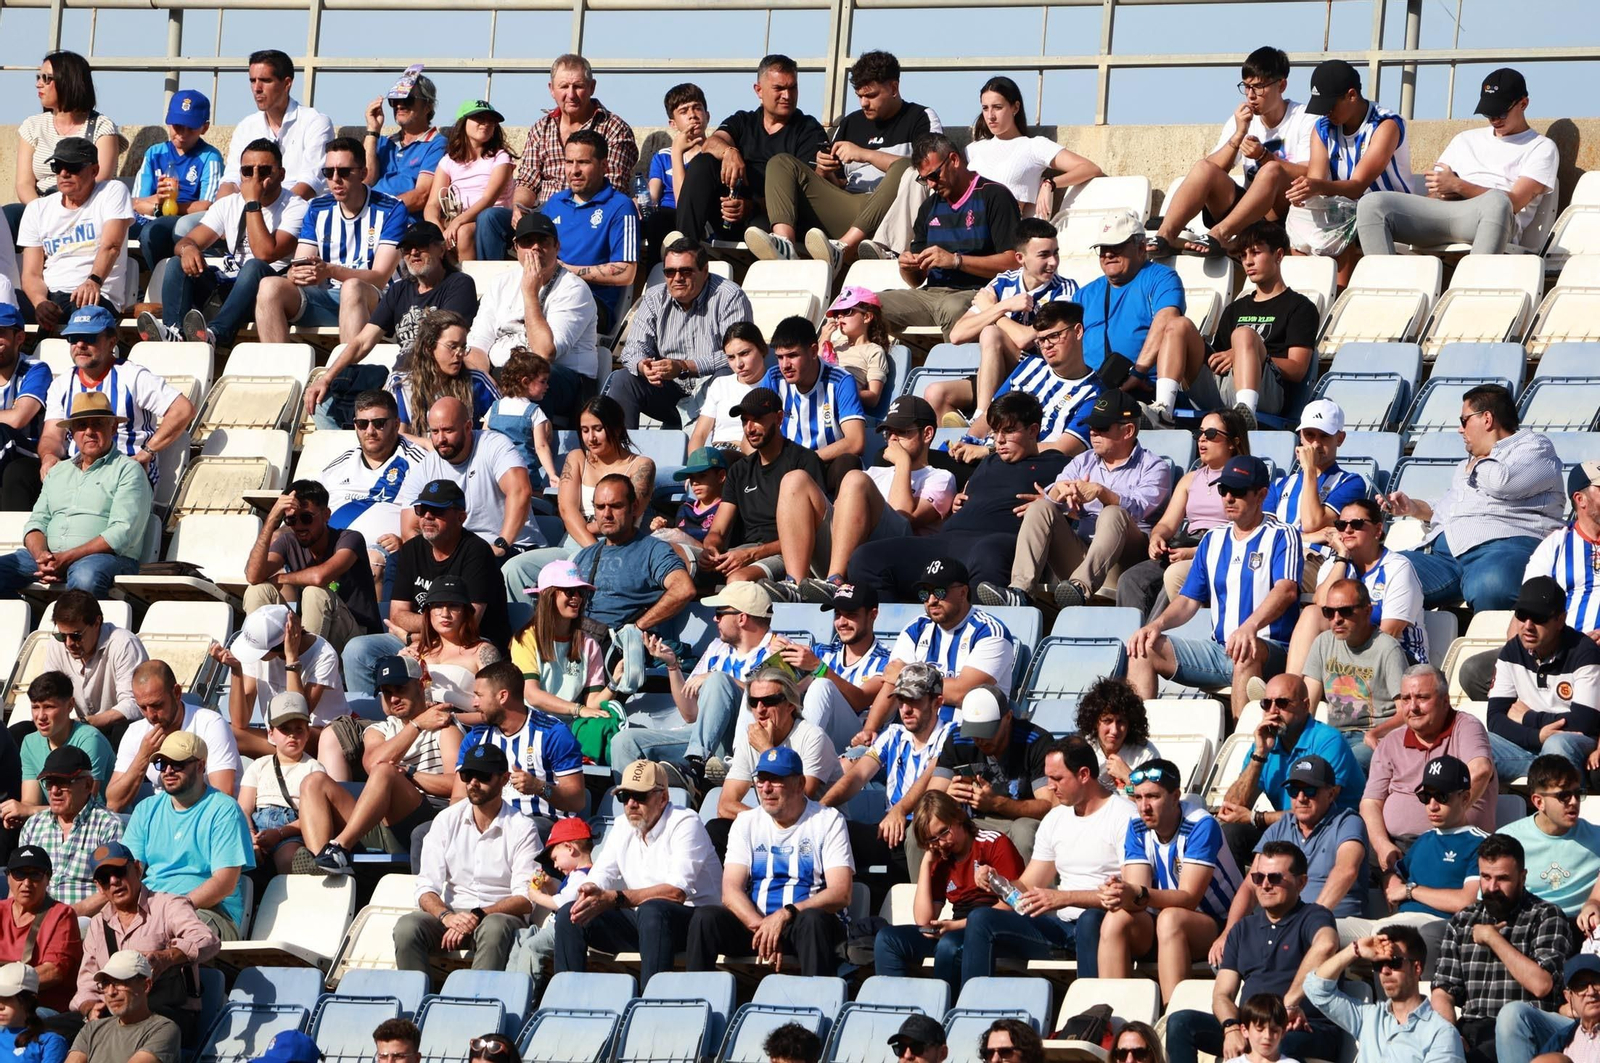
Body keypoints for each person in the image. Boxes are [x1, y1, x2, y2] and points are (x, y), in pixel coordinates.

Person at [847, 392, 1070, 603]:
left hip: (997, 541)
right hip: (947, 541)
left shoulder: (1056, 464)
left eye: (1009, 431)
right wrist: (957, 501)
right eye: (995, 432)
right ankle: (894, 633)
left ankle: (979, 635)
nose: (999, 440)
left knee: (989, 552)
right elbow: (969, 491)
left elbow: (1075, 502)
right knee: (866, 558)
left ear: (1033, 431)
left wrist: (1052, 503)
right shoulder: (988, 462)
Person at [1126, 455, 1302, 719]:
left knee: (1246, 649)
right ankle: (1135, 742)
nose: (1228, 497)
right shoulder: (1213, 539)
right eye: (1224, 489)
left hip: (1270, 647)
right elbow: (1188, 600)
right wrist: (1156, 625)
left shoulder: (1282, 534)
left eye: (1238, 491)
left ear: (1261, 494)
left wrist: (1250, 627)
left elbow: (1286, 590)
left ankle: (1244, 748)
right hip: (1219, 648)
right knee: (1144, 647)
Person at [952, 736, 1136, 986]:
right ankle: (973, 1006)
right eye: (1048, 778)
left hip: (1104, 923)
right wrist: (997, 882)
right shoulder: (1056, 818)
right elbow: (1028, 885)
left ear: (1083, 775)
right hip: (1061, 926)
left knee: (1090, 919)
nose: (1050, 787)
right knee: (981, 919)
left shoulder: (1124, 816)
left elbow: (1128, 894)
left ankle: (1093, 1016)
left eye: (1057, 779)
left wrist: (1064, 898)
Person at [744, 50, 941, 273]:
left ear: (894, 88)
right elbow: (835, 186)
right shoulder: (851, 123)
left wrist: (865, 154)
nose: (863, 103)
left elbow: (931, 169)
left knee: (908, 167)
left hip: (893, 214)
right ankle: (784, 246)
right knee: (780, 163)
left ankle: (844, 248)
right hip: (850, 206)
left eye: (871, 95)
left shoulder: (921, 117)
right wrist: (824, 170)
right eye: (859, 96)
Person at [979, 388, 1172, 611]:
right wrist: (1058, 491)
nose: (1093, 433)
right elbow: (1052, 500)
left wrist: (1101, 492)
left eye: (1101, 428)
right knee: (1041, 507)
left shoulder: (1154, 467)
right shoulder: (1084, 460)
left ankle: (1080, 587)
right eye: (1091, 427)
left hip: (1125, 564)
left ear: (1128, 431)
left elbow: (1139, 510)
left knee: (1113, 512)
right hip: (1083, 556)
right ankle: (1020, 591)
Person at [770, 396, 957, 606]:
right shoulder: (875, 472)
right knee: (794, 479)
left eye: (902, 431)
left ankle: (836, 580)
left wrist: (903, 462)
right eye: (889, 432)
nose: (893, 439)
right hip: (850, 549)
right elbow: (841, 516)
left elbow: (902, 514)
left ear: (927, 434)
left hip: (895, 556)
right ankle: (795, 584)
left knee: (855, 478)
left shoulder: (940, 477)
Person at [551, 759, 722, 988]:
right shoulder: (623, 826)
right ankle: (566, 1004)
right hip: (645, 923)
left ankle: (650, 1004)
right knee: (569, 915)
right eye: (624, 797)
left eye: (640, 796)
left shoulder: (686, 822)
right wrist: (588, 891)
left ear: (663, 798)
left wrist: (617, 898)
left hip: (693, 927)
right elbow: (601, 874)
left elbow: (675, 893)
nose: (631, 804)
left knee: (654, 910)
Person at [1163, 840, 1338, 1063]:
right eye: (1258, 878)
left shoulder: (1314, 916)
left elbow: (1326, 945)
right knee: (1180, 1022)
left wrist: (1288, 1006)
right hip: (1251, 1029)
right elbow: (1222, 995)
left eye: (1274, 878)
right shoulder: (1242, 929)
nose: (1265, 885)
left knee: (1275, 1044)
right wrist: (1231, 1027)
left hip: (1305, 1029)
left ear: (1301, 883)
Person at [686, 746, 853, 976]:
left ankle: (818, 1002)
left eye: (776, 780)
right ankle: (696, 1001)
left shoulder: (828, 821)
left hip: (804, 923)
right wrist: (762, 927)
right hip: (757, 925)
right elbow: (730, 890)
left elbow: (841, 893)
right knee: (706, 918)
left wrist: (785, 915)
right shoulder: (746, 822)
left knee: (813, 921)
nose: (765, 788)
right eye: (761, 779)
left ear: (800, 784)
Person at [1358, 68, 1559, 256]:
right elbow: (1432, 196)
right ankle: (1386, 285)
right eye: (1489, 113)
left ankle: (1474, 288)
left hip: (1491, 217)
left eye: (1501, 112)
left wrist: (1458, 185)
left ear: (1523, 104)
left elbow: (1513, 202)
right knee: (1372, 204)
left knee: (1497, 202)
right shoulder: (1465, 139)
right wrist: (1443, 192)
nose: (1495, 119)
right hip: (1446, 211)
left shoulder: (1541, 147)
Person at [293, 655, 461, 876]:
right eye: (387, 693)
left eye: (400, 689)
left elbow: (456, 786)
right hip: (377, 823)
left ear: (419, 687)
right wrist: (417, 725)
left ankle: (339, 848)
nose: (393, 699)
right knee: (313, 782)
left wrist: (408, 774)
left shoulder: (444, 727)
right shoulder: (378, 730)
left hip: (425, 820)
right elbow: (372, 763)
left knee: (386, 771)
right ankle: (323, 865)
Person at [302, 222, 479, 426]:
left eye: (421, 246)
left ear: (441, 249)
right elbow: (362, 342)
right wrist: (326, 378)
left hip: (435, 381)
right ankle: (350, 453)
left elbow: (447, 341)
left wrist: (400, 385)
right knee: (323, 399)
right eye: (406, 249)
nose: (413, 253)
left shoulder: (459, 284)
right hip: (398, 380)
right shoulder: (399, 290)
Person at [142, 138, 307, 351]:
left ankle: (216, 334)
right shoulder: (229, 204)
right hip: (230, 287)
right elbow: (187, 240)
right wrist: (189, 249)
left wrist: (252, 203)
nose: (255, 178)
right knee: (177, 262)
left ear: (281, 174)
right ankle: (174, 332)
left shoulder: (296, 207)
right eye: (248, 171)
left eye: (264, 171)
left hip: (267, 294)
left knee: (253, 266)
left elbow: (265, 254)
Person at [1099, 759, 1243, 1002]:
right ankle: (1111, 1020)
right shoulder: (1137, 826)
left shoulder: (1201, 824)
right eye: (1138, 798)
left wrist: (1135, 893)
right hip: (1167, 923)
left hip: (1222, 926)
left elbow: (1188, 898)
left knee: (1170, 918)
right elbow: (1137, 894)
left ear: (1175, 796)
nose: (1144, 806)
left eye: (1153, 797)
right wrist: (1120, 893)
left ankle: (1173, 1018)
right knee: (1116, 919)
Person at [538, 475, 695, 697]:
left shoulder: (653, 550)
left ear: (635, 507)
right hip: (576, 648)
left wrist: (638, 627)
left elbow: (684, 588)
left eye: (616, 506)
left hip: (617, 654)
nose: (607, 514)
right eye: (600, 507)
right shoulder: (585, 555)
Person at [1147, 46, 1313, 256]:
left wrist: (1264, 156)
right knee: (1203, 167)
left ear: (1282, 85)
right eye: (1246, 87)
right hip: (1248, 216)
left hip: (1284, 218)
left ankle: (1220, 235)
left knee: (1271, 170)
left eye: (1259, 87)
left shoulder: (1305, 118)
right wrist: (1238, 135)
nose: (1251, 96)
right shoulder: (1242, 120)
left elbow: (1311, 173)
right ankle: (1165, 236)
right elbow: (1209, 172)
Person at [1430, 834, 1576, 1063]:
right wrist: (1449, 1034)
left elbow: (1542, 985)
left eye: (1502, 879)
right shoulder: (1463, 920)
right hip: (1471, 1028)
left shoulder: (1546, 916)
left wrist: (1493, 939)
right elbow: (1443, 991)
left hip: (1526, 1028)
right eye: (1485, 877)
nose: (1492, 887)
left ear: (1522, 877)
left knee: (1510, 1018)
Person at [395, 741, 537, 973]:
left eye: (482, 775)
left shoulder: (522, 828)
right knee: (407, 927)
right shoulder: (446, 820)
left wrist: (477, 915)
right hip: (451, 916)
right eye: (467, 774)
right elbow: (425, 887)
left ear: (504, 779)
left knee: (494, 927)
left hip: (498, 917)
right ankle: (413, 1005)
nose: (472, 782)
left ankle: (475, 1004)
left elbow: (525, 898)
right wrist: (446, 916)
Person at [253, 137, 407, 345]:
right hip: (327, 298)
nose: (335, 179)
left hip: (377, 303)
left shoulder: (392, 209)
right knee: (269, 286)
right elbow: (302, 263)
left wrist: (330, 270)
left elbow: (379, 278)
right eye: (328, 172)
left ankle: (348, 375)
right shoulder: (317, 207)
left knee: (352, 288)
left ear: (363, 173)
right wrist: (296, 273)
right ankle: (279, 371)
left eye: (343, 172)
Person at [484, 54, 638, 260]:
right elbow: (528, 181)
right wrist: (519, 208)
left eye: (578, 86)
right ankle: (495, 289)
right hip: (540, 213)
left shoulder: (614, 128)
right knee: (490, 218)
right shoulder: (541, 127)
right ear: (551, 89)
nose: (571, 94)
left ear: (592, 87)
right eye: (564, 87)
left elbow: (613, 184)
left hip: (589, 212)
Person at [616, 582, 773, 783]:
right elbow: (690, 714)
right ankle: (642, 804)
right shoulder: (718, 647)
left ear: (742, 617)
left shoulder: (779, 649)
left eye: (720, 612)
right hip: (703, 738)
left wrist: (722, 680)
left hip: (745, 740)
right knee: (625, 742)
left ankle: (695, 765)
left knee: (718, 679)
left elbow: (774, 707)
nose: (715, 618)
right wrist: (672, 665)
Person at [0, 390, 151, 598]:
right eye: (81, 425)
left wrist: (66, 558)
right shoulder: (58, 471)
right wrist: (42, 556)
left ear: (113, 428)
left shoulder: (128, 469)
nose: (89, 431)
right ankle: (29, 623)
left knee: (85, 578)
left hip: (106, 558)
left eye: (97, 423)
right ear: (72, 433)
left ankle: (82, 629)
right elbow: (36, 522)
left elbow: (121, 533)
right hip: (51, 557)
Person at [872, 789, 1023, 990]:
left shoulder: (993, 843)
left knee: (949, 945)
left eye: (944, 832)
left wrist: (958, 926)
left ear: (959, 817)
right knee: (887, 939)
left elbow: (1014, 903)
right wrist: (926, 863)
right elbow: (924, 920)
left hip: (993, 927)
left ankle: (949, 1012)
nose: (941, 843)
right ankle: (894, 1008)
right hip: (955, 926)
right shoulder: (940, 856)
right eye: (932, 840)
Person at [855, 556, 1016, 744]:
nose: (931, 600)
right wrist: (870, 729)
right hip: (915, 739)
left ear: (963, 592)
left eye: (939, 592)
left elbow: (964, 693)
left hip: (967, 739)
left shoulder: (989, 631)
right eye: (925, 594)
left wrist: (905, 675)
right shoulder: (915, 629)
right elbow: (891, 685)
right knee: (850, 765)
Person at [876, 133, 1021, 337]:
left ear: (954, 160)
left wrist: (956, 261)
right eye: (924, 179)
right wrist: (907, 266)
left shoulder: (994, 196)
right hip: (930, 294)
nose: (931, 185)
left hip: (978, 293)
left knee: (953, 308)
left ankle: (959, 368)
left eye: (934, 176)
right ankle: (872, 366)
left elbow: (1014, 263)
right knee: (865, 305)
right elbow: (916, 280)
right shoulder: (929, 207)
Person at [671, 54, 825, 246]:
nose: (787, 95)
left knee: (761, 224)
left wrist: (752, 207)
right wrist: (729, 152)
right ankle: (686, 247)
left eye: (792, 88)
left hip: (776, 220)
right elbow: (711, 143)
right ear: (759, 90)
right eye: (779, 88)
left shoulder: (809, 130)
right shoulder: (743, 120)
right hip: (728, 215)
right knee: (703, 163)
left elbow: (804, 195)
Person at [940, 220, 1081, 427]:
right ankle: (957, 453)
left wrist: (994, 311)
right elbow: (957, 335)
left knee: (990, 333)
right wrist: (1003, 306)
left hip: (1039, 375)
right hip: (1000, 373)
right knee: (936, 394)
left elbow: (1025, 339)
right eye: (1044, 255)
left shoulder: (1064, 289)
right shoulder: (1003, 282)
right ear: (1020, 258)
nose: (1053, 262)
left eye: (1056, 253)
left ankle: (982, 419)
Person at [1215, 673, 1365, 866]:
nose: (1273, 711)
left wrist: (1256, 818)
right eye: (1266, 704)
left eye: (1282, 703)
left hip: (1330, 833)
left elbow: (1316, 813)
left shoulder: (1328, 741)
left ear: (1305, 705)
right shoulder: (1265, 745)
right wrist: (1260, 754)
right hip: (1288, 831)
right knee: (1230, 834)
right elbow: (1231, 809)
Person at [72, 843, 219, 1040]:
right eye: (105, 878)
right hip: (113, 1015)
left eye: (119, 871)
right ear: (99, 886)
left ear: (137, 868)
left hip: (167, 1015)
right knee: (44, 1032)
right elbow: (86, 982)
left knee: (123, 1035)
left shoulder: (168, 905)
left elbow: (207, 939)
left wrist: (167, 957)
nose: (114, 881)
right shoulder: (98, 923)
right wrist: (91, 1008)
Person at [605, 238, 753, 429]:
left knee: (729, 373)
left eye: (686, 271)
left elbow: (740, 353)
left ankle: (718, 449)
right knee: (623, 379)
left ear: (705, 271)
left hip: (711, 388)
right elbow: (633, 348)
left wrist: (685, 366)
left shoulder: (729, 296)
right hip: (667, 390)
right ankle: (621, 454)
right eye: (670, 272)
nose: (677, 278)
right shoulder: (653, 298)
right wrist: (644, 366)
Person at [1116, 409, 1249, 621]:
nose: (1203, 438)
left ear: (1233, 442)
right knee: (1131, 579)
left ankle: (1149, 643)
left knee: (1171, 582)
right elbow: (1167, 524)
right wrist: (1157, 538)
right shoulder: (1190, 479)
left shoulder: (1243, 479)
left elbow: (1245, 532)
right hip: (1183, 544)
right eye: (1200, 433)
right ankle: (1129, 640)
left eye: (1212, 434)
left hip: (1220, 550)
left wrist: (1194, 553)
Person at [37, 305, 192, 487]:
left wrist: (147, 451)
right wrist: (48, 456)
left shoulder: (132, 376)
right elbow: (52, 436)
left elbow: (183, 409)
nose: (80, 345)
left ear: (112, 342)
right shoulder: (61, 384)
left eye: (89, 338)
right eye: (73, 338)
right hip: (77, 474)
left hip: (126, 473)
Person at [1283, 59, 1413, 273]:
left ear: (1351, 96)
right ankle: (1304, 289)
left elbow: (1357, 186)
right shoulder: (1323, 128)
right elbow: (1317, 180)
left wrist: (1316, 186)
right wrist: (1304, 192)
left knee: (1348, 216)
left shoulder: (1385, 124)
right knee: (1302, 213)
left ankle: (1338, 293)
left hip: (1394, 213)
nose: (1326, 113)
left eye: (1330, 106)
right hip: (1348, 209)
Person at [821, 659, 949, 874]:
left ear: (937, 702)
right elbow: (858, 776)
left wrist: (900, 810)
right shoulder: (893, 735)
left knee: (913, 836)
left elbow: (930, 775)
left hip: (930, 834)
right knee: (835, 832)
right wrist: (820, 808)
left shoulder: (950, 735)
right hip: (892, 830)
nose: (905, 709)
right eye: (900, 700)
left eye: (914, 700)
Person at [120, 733, 253, 940]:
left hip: (209, 912)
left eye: (178, 764)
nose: (168, 770)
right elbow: (129, 872)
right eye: (162, 764)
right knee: (92, 933)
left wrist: (170, 910)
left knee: (156, 936)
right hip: (150, 910)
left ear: (201, 766)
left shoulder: (224, 809)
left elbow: (225, 883)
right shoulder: (145, 809)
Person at [1363, 665, 1499, 863]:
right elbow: (1370, 802)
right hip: (1397, 846)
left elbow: (1480, 771)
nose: (1413, 707)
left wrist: (1441, 831)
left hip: (1456, 842)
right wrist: (1382, 845)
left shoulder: (1466, 726)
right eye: (1406, 699)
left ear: (1445, 701)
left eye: (1422, 698)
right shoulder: (1392, 741)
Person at [1221, 753, 1367, 936]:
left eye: (1310, 790)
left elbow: (1346, 870)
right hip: (1285, 926)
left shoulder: (1348, 822)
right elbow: (1251, 885)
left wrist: (1309, 920)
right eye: (1293, 790)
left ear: (1331, 793)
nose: (1301, 798)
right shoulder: (1281, 826)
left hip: (1334, 922)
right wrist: (1228, 932)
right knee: (1227, 954)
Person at [1186, 222, 1317, 426]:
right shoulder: (1234, 309)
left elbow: (1297, 369)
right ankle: (1162, 410)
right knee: (1178, 326)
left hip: (1269, 394)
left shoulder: (1300, 307)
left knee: (1244, 335)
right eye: (1243, 256)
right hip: (1225, 389)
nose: (1248, 262)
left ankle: (1245, 415)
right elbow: (1219, 360)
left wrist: (1248, 352)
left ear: (1279, 255)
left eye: (1255, 253)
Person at [464, 213, 599, 410]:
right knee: (462, 377)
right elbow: (477, 347)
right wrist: (484, 381)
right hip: (502, 374)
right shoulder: (500, 283)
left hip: (566, 380)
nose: (535, 247)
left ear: (557, 246)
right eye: (527, 241)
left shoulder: (574, 288)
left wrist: (530, 293)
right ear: (515, 247)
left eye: (543, 241)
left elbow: (544, 353)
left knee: (533, 379)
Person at [1073, 212, 1195, 425]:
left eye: (1116, 246)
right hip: (1092, 394)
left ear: (1140, 248)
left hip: (1147, 391)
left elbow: (1167, 319)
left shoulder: (1161, 277)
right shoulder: (1084, 294)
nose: (1108, 254)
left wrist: (1137, 373)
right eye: (1103, 249)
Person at [943, 301, 1101, 465]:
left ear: (1077, 331)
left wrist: (988, 452)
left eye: (1054, 336)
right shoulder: (1029, 366)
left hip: (1032, 468)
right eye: (1041, 340)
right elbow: (988, 415)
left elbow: (1063, 448)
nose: (1047, 345)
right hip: (990, 460)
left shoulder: (1094, 393)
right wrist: (969, 441)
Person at [696, 387, 827, 584]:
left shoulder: (804, 460)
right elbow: (718, 531)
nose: (749, 428)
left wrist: (754, 554)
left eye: (757, 419)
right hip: (744, 552)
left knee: (738, 580)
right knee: (678, 565)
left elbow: (813, 534)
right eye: (744, 420)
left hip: (788, 554)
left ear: (779, 418)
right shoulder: (739, 470)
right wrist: (711, 548)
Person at [1292, 496, 1428, 676]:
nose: (1347, 530)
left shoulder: (1398, 567)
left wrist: (1341, 662)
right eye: (1341, 525)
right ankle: (1290, 690)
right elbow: (1321, 605)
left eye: (1356, 524)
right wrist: (1342, 557)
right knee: (1311, 614)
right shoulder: (1337, 563)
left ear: (1378, 530)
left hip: (1398, 660)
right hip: (1347, 656)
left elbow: (1389, 633)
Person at [512, 396, 654, 567]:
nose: (591, 438)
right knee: (517, 568)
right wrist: (593, 550)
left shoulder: (641, 465)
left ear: (616, 428)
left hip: (620, 543)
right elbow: (567, 510)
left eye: (598, 429)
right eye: (585, 430)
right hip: (575, 541)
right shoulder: (577, 458)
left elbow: (628, 516)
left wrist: (589, 528)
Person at [243, 480, 381, 654]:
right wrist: (271, 520)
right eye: (291, 519)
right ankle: (261, 666)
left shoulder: (350, 539)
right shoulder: (288, 542)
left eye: (306, 518)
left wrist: (280, 578)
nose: (299, 526)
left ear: (326, 515)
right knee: (258, 590)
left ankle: (303, 670)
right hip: (312, 630)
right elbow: (253, 576)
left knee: (314, 592)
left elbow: (320, 577)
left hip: (356, 636)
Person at [1486, 576, 1600, 781]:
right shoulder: (1512, 651)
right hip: (1531, 742)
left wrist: (1528, 717)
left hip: (1574, 743)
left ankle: (1559, 793)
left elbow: (1583, 722)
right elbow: (1495, 719)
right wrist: (1537, 736)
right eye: (1522, 615)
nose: (1528, 625)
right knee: (1475, 743)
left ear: (1560, 620)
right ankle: (1546, 773)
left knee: (1557, 745)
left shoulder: (1584, 652)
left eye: (1538, 617)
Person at [921, 686, 1052, 863]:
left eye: (987, 731)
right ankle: (925, 889)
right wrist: (947, 799)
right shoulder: (958, 740)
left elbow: (1048, 806)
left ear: (1008, 718)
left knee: (1024, 831)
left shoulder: (1035, 742)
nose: (980, 739)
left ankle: (1026, 889)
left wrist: (997, 803)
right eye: (974, 732)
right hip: (972, 821)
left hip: (1019, 820)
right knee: (923, 833)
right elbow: (931, 797)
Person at [320, 390, 427, 605]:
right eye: (362, 424)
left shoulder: (419, 463)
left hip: (381, 554)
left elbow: (432, 518)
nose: (370, 431)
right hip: (330, 546)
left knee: (373, 562)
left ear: (396, 424)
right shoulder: (340, 465)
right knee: (280, 544)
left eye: (379, 423)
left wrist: (405, 541)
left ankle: (372, 634)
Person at [16, 138, 133, 330]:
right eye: (58, 166)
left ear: (94, 170)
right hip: (50, 296)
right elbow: (31, 274)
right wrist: (39, 303)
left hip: (94, 295)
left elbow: (112, 246)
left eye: (73, 167)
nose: (63, 173)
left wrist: (93, 281)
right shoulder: (37, 208)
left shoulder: (112, 191)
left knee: (79, 308)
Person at [8, 51, 121, 249]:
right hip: (41, 206)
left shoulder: (102, 127)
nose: (38, 84)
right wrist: (43, 213)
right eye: (38, 77)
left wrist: (64, 213)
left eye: (47, 78)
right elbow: (24, 184)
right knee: (8, 218)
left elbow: (100, 180)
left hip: (83, 210)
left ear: (68, 81)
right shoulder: (32, 126)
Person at [215, 604, 350, 768]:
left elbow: (297, 716)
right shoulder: (259, 657)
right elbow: (239, 722)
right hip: (279, 737)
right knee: (224, 734)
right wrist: (236, 669)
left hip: (319, 737)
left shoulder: (324, 655)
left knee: (293, 734)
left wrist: (291, 658)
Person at [711, 667, 842, 836]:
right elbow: (725, 806)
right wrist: (763, 823)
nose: (760, 709)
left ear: (789, 705)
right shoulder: (749, 740)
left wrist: (767, 751)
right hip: (773, 830)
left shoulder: (813, 737)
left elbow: (796, 805)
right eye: (753, 702)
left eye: (770, 701)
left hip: (817, 830)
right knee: (717, 829)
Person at [457, 660, 586, 829]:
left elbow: (576, 801)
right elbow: (458, 797)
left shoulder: (552, 733)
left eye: (479, 696)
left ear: (502, 696)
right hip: (486, 820)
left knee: (520, 829)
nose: (474, 703)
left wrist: (539, 788)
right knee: (422, 833)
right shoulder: (476, 737)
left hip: (541, 821)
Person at [1306, 926, 1464, 1063]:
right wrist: (1355, 950)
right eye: (1378, 964)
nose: (1385, 971)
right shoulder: (1368, 1017)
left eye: (1394, 962)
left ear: (1417, 968)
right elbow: (1315, 988)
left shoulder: (1441, 1032)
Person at [1301, 578, 1409, 772]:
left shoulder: (1388, 648)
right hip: (1334, 736)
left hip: (1375, 737)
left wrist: (1375, 734)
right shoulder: (1322, 643)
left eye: (1345, 611)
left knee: (1339, 768)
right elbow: (1307, 704)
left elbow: (1406, 711)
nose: (1336, 619)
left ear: (1367, 611)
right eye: (1329, 612)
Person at [106, 661, 240, 813]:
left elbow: (223, 797)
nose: (151, 715)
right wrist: (143, 756)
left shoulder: (210, 724)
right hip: (161, 818)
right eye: (142, 708)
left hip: (207, 818)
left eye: (157, 705)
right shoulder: (136, 732)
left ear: (176, 693)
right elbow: (114, 803)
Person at [964, 76, 1103, 219]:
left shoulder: (1033, 146)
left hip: (1004, 232)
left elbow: (1090, 168)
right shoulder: (973, 150)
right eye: (985, 108)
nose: (990, 116)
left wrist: (1050, 183)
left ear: (1015, 107)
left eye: (997, 107)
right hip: (969, 229)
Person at [539, 130, 638, 329]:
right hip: (547, 294)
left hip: (591, 303)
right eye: (569, 162)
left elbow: (626, 272)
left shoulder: (620, 207)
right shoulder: (555, 203)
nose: (574, 170)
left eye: (583, 162)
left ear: (604, 166)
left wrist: (565, 271)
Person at [757, 315, 866, 492]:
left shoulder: (840, 380)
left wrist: (805, 459)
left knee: (848, 462)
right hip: (784, 464)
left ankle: (840, 517)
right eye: (780, 357)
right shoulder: (773, 377)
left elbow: (856, 441)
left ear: (814, 351)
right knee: (732, 462)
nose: (785, 365)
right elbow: (755, 425)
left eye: (792, 355)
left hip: (825, 463)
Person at [1263, 400, 1368, 574]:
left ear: (1340, 439)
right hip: (1273, 556)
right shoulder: (1279, 485)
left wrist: (1309, 469)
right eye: (1310, 435)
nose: (1316, 444)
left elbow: (1312, 523)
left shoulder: (1350, 482)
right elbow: (1265, 536)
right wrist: (1309, 537)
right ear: (1301, 437)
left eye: (1324, 436)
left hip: (1315, 560)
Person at [216, 49, 334, 202]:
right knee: (188, 225)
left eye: (265, 80)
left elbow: (310, 184)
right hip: (250, 210)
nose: (257, 88)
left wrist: (266, 212)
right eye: (252, 80)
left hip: (298, 212)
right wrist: (220, 212)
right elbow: (232, 179)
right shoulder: (246, 126)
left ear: (287, 84)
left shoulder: (315, 122)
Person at [18, 746, 122, 916]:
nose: (54, 791)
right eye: (49, 783)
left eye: (64, 782)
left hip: (86, 919)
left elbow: (113, 888)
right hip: (36, 918)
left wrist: (67, 915)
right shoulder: (33, 825)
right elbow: (19, 881)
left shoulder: (108, 825)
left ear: (88, 784)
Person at [126, 89, 221, 274]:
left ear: (205, 127)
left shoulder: (210, 156)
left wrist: (169, 207)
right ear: (168, 122)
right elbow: (135, 201)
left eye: (191, 128)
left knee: (153, 232)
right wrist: (158, 201)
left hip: (184, 220)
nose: (182, 134)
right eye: (177, 126)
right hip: (152, 215)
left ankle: (160, 282)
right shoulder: (154, 152)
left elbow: (207, 206)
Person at [40, 590, 147, 738]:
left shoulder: (124, 643)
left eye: (76, 636)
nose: (68, 643)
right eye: (62, 636)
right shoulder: (56, 645)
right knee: (21, 731)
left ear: (97, 623)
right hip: (80, 730)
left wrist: (86, 723)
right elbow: (50, 694)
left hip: (117, 729)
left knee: (121, 731)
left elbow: (135, 704)